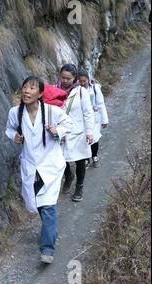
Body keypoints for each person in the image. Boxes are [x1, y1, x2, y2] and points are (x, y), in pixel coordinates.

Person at [6, 76, 73, 264]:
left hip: (50, 165)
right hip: (30, 165)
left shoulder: (52, 112)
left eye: (32, 88)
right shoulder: (15, 113)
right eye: (25, 87)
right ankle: (50, 231)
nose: (26, 91)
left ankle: (47, 249)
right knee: (37, 203)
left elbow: (68, 124)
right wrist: (15, 137)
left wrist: (56, 131)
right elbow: (9, 129)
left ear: (41, 93)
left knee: (49, 204)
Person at [57, 64, 95, 202]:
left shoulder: (81, 92)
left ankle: (79, 187)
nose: (65, 81)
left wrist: (89, 132)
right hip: (61, 132)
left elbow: (88, 113)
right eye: (63, 78)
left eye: (68, 78)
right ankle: (68, 176)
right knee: (61, 159)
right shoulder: (55, 90)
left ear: (74, 78)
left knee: (80, 160)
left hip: (78, 132)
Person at [78, 69, 109, 168]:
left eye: (84, 81)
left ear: (88, 79)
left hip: (95, 119)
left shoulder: (95, 88)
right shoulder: (76, 90)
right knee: (84, 139)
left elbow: (101, 104)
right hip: (82, 119)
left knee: (94, 138)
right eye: (80, 81)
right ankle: (86, 159)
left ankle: (94, 156)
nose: (82, 83)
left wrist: (105, 120)